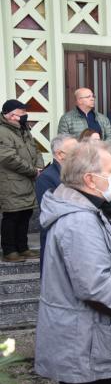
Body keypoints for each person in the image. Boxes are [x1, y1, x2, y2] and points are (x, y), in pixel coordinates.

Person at [34, 140, 111, 384]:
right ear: (90, 180)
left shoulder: (93, 209)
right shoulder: (80, 220)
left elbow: (99, 265)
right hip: (86, 349)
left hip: (94, 345)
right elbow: (94, 287)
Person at [0, 99, 44, 263]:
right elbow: (8, 158)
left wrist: (39, 166)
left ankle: (23, 248)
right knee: (12, 216)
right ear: (10, 115)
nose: (25, 116)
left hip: (27, 181)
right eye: (22, 114)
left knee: (25, 214)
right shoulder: (3, 131)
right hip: (10, 182)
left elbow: (36, 149)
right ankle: (9, 251)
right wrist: (33, 170)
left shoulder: (24, 129)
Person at [35, 134, 78, 269]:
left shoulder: (77, 174)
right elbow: (52, 211)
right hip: (56, 240)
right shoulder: (47, 177)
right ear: (60, 154)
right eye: (75, 151)